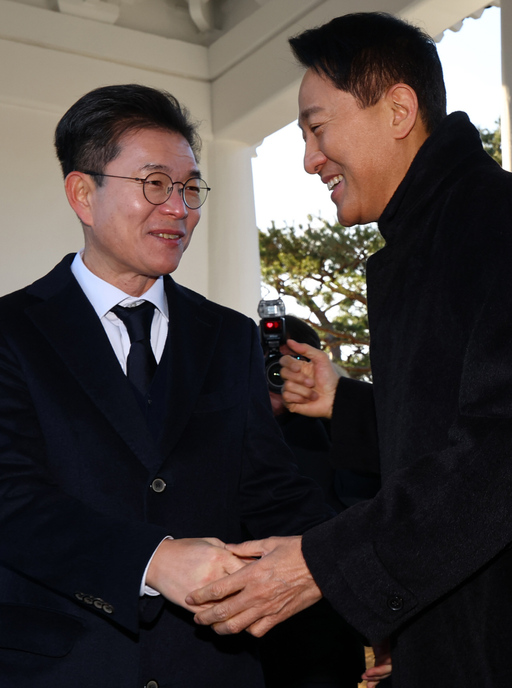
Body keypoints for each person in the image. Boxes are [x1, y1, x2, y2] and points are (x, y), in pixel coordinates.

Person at [186, 11, 512, 687]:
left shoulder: (492, 223)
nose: (309, 159)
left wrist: (325, 564)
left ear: (398, 110)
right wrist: (345, 405)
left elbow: (498, 454)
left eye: (317, 128)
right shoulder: (430, 238)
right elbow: (448, 427)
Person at [0, 84, 334, 688]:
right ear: (83, 193)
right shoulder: (12, 332)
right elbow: (11, 499)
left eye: (190, 188)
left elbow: (272, 494)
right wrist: (153, 560)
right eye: (155, 184)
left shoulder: (228, 336)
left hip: (213, 667)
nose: (179, 209)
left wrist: (361, 576)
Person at [259, 315, 365, 688]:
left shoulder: (345, 429)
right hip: (241, 637)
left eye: (292, 361)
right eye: (268, 360)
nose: (278, 371)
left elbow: (365, 514)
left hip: (324, 632)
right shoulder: (223, 424)